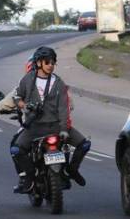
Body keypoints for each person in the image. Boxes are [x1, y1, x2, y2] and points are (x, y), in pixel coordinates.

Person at [10, 46, 91, 194]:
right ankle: (29, 177)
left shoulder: (59, 83)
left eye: (53, 62)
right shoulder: (28, 79)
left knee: (84, 145)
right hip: (34, 127)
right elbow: (17, 97)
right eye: (47, 62)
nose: (50, 65)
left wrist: (64, 130)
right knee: (16, 149)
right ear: (39, 63)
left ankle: (72, 170)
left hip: (55, 127)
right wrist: (25, 106)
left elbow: (63, 109)